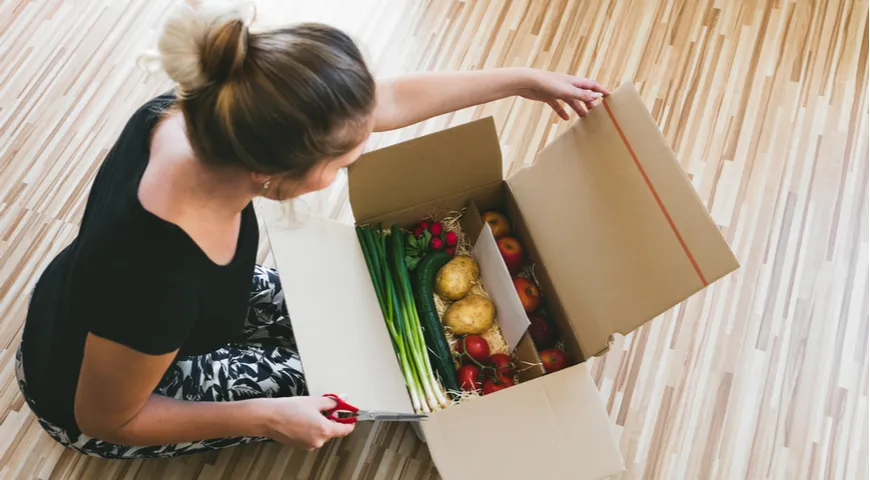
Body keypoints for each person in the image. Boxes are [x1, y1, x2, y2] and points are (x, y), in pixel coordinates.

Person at [15, 0, 609, 460]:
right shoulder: (156, 273)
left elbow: (387, 100)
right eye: (343, 161)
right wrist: (269, 416)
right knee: (345, 384)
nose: (356, 155)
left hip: (125, 315)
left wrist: (523, 79)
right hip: (94, 397)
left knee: (359, 321)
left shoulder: (209, 110)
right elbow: (106, 418)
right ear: (271, 175)